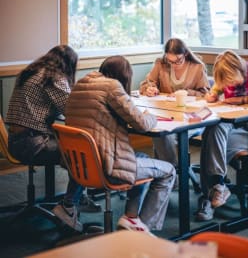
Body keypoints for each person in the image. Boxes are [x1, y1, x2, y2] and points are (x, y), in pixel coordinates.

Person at [54, 55, 176, 234]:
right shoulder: (112, 86)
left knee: (141, 158)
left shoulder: (81, 84)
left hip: (82, 165)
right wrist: (151, 115)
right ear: (124, 76)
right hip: (107, 166)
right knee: (168, 170)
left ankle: (131, 217)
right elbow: (141, 123)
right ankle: (141, 228)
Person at [6, 44, 99, 232]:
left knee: (74, 147)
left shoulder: (30, 73)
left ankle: (79, 198)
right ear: (68, 64)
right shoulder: (53, 77)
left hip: (16, 141)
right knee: (84, 152)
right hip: (33, 143)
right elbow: (72, 108)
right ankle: (69, 205)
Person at [195, 50, 248, 221]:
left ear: (238, 70)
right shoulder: (226, 76)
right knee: (212, 132)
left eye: (231, 80)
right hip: (235, 125)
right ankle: (218, 185)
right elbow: (214, 92)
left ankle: (209, 197)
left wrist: (241, 100)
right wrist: (212, 96)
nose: (229, 85)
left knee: (211, 146)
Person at [139, 38, 210, 167]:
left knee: (166, 136)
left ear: (186, 54)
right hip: (167, 115)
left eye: (178, 61)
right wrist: (150, 88)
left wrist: (187, 92)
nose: (173, 64)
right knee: (160, 132)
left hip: (190, 117)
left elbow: (205, 93)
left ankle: (170, 172)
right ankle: (170, 172)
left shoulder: (197, 67)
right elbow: (147, 83)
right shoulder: (161, 64)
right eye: (170, 61)